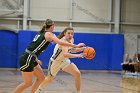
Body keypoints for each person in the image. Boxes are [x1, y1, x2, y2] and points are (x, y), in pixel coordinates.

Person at [13, 19, 85, 93]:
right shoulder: (49, 34)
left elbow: (33, 47)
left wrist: (36, 58)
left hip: (32, 57)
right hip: (27, 58)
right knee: (28, 83)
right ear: (52, 26)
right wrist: (75, 46)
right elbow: (60, 42)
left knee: (41, 78)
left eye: (72, 33)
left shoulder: (41, 33)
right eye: (68, 33)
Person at [35, 27, 86, 93]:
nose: (70, 35)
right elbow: (65, 54)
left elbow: (72, 50)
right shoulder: (63, 41)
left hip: (64, 61)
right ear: (65, 33)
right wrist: (78, 55)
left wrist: (83, 49)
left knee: (77, 74)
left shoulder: (72, 40)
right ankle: (38, 91)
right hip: (55, 62)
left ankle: (78, 92)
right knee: (50, 79)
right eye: (68, 33)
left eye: (72, 33)